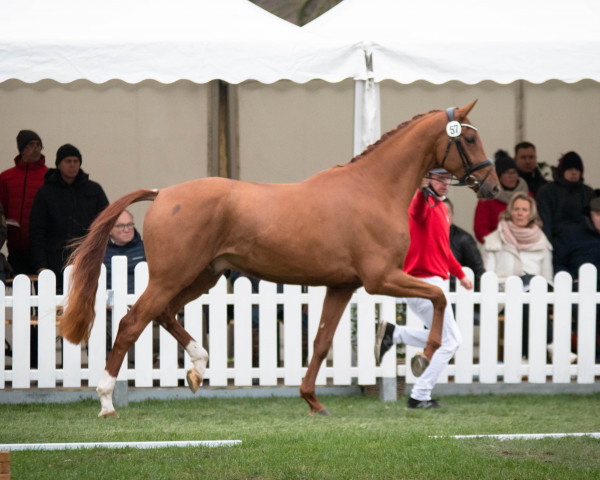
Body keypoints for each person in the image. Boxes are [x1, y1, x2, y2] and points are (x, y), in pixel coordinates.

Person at [374, 168, 473, 409]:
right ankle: (419, 396)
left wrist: (460, 274)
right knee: (451, 341)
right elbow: (417, 208)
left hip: (431, 284)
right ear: (427, 179)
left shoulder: (440, 209)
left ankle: (394, 334)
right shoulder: (422, 205)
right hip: (424, 283)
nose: (445, 182)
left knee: (445, 339)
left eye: (447, 178)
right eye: (438, 178)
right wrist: (420, 188)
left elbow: (445, 250)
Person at [482, 192, 555, 359]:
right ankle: (548, 345)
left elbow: (547, 277)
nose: (520, 213)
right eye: (516, 209)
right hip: (503, 296)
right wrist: (514, 284)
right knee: (524, 296)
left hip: (536, 296)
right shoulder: (494, 239)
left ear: (531, 213)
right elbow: (488, 277)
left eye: (524, 209)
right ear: (510, 211)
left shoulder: (542, 241)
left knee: (529, 295)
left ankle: (521, 355)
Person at [29, 144, 109, 291]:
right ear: (59, 164)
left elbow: (106, 223)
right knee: (53, 308)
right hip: (53, 263)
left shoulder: (94, 190)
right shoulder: (45, 193)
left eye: (75, 161)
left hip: (86, 260)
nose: (72, 165)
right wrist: (41, 265)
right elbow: (36, 231)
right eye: (68, 161)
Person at [536, 151, 595, 277]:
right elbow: (545, 222)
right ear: (562, 170)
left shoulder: (588, 193)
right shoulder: (547, 192)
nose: (574, 172)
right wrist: (549, 248)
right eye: (570, 168)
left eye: (577, 169)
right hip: (558, 246)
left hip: (585, 247)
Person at [0, 130, 48, 275]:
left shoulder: (49, 176)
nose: (36, 148)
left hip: (42, 248)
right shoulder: (5, 178)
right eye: (31, 145)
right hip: (15, 246)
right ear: (22, 149)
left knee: (44, 289)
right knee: (20, 290)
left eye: (39, 145)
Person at [474, 150, 531, 243]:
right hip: (497, 247)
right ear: (499, 176)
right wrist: (497, 243)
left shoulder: (527, 196)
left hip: (524, 244)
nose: (511, 176)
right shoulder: (487, 198)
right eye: (507, 173)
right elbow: (480, 228)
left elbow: (534, 221)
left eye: (514, 172)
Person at [444, 198, 485, 289]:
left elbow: (478, 272)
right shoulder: (425, 237)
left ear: (452, 215)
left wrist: (476, 301)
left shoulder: (464, 239)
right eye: (438, 212)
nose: (443, 216)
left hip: (459, 294)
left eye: (446, 212)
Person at [103, 210, 146, 293]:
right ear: (110, 230)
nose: (126, 230)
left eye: (130, 224)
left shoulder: (145, 249)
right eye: (120, 226)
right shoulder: (99, 252)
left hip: (139, 301)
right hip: (108, 303)